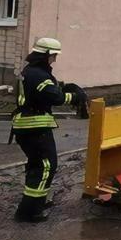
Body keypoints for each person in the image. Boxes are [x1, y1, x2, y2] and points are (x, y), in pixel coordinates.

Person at [11, 38, 86, 223]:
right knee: (46, 166)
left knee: (38, 164)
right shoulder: (38, 74)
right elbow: (54, 97)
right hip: (34, 126)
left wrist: (61, 86)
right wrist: (75, 96)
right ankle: (29, 211)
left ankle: (36, 202)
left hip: (27, 125)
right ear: (45, 55)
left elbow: (43, 91)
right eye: (53, 56)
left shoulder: (31, 71)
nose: (54, 59)